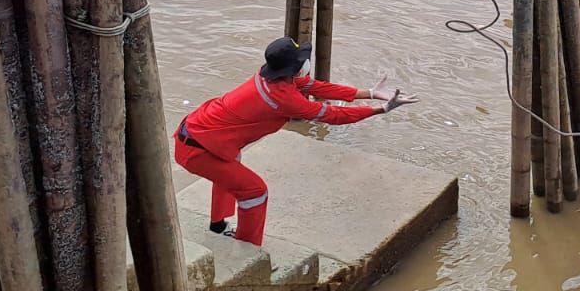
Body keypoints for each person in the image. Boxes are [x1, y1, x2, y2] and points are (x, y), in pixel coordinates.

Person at [175, 37, 417, 246]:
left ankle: (218, 226)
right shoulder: (284, 99)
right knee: (255, 192)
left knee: (230, 169)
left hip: (198, 135)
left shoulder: (269, 77)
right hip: (198, 150)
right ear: (293, 68)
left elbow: (315, 86)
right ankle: (246, 247)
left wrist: (369, 93)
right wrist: (380, 110)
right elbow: (332, 115)